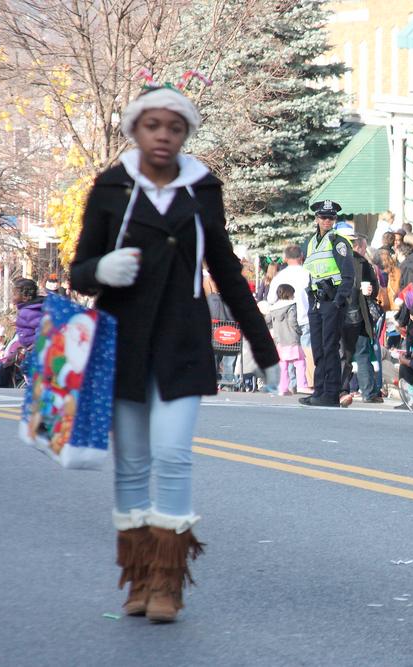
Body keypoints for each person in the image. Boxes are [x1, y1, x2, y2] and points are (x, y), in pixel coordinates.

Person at [70, 76, 279, 623]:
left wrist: (262, 343)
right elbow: (79, 269)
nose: (164, 135)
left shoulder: (202, 190)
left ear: (186, 133)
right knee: (133, 464)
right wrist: (101, 271)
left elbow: (227, 271)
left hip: (184, 342)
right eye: (153, 125)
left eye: (175, 126)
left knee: (173, 454)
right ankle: (137, 579)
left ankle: (167, 583)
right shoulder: (110, 188)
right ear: (135, 128)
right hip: (123, 340)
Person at [300, 199, 355, 407]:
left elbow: (348, 276)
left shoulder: (338, 241)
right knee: (317, 348)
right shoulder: (312, 242)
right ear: (316, 218)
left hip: (332, 302)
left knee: (329, 348)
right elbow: (313, 272)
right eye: (323, 217)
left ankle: (330, 393)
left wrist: (338, 301)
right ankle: (319, 390)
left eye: (331, 217)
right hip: (316, 301)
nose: (327, 221)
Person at [339, 234, 382, 405]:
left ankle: (342, 390)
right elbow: (374, 288)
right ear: (357, 247)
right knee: (360, 353)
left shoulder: (338, 261)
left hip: (345, 312)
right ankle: (368, 392)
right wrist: (367, 290)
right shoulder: (362, 263)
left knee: (345, 354)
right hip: (358, 313)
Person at [268, 244, 313, 392]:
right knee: (304, 355)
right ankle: (304, 383)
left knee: (285, 356)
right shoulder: (308, 273)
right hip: (305, 318)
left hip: (284, 323)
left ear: (285, 258)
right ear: (301, 257)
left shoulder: (280, 276)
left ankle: (288, 385)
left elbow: (271, 299)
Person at [266, 284, 308, 395]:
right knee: (300, 362)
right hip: (292, 339)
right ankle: (301, 385)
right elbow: (292, 321)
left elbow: (267, 320)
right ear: (290, 294)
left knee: (282, 364)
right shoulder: (291, 306)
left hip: (279, 341)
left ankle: (282, 388)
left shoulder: (273, 308)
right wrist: (299, 331)